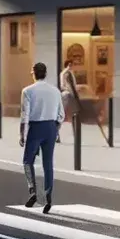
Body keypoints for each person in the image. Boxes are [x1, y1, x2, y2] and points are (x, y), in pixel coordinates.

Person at [19, 62, 65, 213]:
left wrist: (22, 135)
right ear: (45, 73)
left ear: (34, 73)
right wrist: (56, 130)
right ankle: (48, 196)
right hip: (51, 127)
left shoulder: (27, 91)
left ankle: (32, 191)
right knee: (48, 163)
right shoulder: (55, 91)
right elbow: (61, 115)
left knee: (27, 161)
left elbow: (25, 115)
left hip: (35, 128)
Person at [58, 60, 81, 144]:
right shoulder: (67, 73)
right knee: (66, 115)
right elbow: (68, 86)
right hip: (68, 95)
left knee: (72, 115)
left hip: (69, 95)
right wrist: (75, 93)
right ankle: (57, 134)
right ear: (67, 65)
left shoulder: (68, 73)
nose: (72, 66)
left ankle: (75, 134)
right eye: (70, 64)